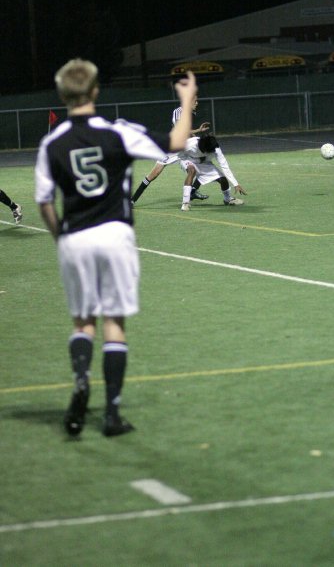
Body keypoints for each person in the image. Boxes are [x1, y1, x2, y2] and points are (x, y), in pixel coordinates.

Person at [35, 59, 197, 437]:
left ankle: (80, 381)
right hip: (114, 234)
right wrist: (186, 103)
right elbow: (176, 143)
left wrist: (60, 237)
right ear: (95, 91)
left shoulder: (51, 142)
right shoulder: (118, 131)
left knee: (83, 322)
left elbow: (44, 202)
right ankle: (111, 413)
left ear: (63, 95)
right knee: (114, 323)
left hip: (75, 236)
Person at [131, 92, 210, 204]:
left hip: (184, 148)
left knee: (201, 163)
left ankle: (192, 192)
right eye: (195, 101)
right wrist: (197, 131)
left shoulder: (190, 113)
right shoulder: (178, 111)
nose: (197, 103)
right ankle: (132, 200)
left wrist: (196, 137)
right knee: (154, 174)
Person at [178, 133, 247, 211]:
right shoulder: (189, 145)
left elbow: (224, 166)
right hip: (188, 159)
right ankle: (185, 203)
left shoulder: (215, 148)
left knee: (222, 179)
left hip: (204, 162)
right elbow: (179, 155)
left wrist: (236, 184)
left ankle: (228, 199)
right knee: (192, 171)